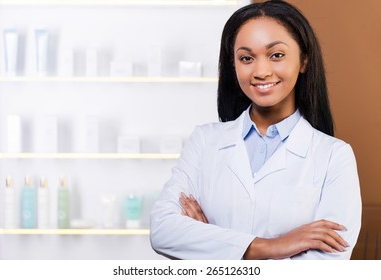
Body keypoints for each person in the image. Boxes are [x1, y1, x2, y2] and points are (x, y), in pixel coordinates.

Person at [150, 0, 361, 260]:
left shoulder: (334, 156)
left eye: (277, 55)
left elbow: (326, 266)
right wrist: (272, 246)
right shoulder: (205, 141)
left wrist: (212, 247)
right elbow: (163, 230)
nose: (261, 71)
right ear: (233, 65)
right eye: (246, 58)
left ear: (304, 60)